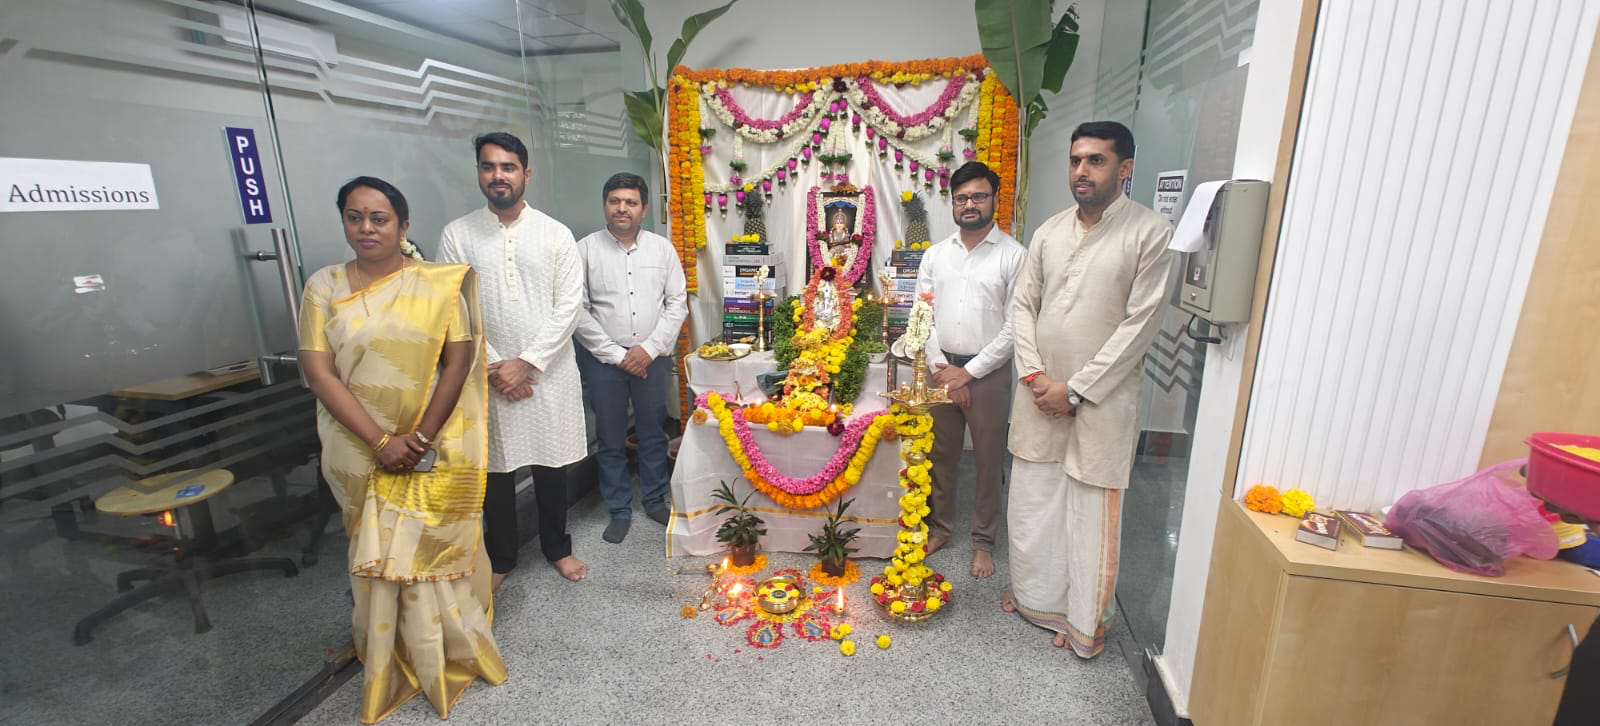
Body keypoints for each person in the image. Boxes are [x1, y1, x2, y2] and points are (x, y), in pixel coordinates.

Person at [299, 176, 506, 723]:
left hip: (425, 438)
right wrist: (380, 441)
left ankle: (445, 651)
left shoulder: (438, 285)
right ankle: (385, 654)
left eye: (379, 218)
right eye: (355, 217)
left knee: (427, 546)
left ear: (403, 225)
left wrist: (420, 439)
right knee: (372, 551)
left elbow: (458, 363)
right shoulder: (323, 286)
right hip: (355, 445)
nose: (366, 228)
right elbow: (319, 373)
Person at [1003, 121, 1174, 658]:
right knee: (1035, 503)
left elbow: (1139, 326)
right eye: (1076, 159)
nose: (1081, 170)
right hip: (1038, 396)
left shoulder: (1150, 233)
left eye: (1096, 160)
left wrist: (1075, 389)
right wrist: (1035, 377)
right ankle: (1034, 600)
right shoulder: (1049, 232)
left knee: (1090, 512)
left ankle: (1082, 623)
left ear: (1125, 168)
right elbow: (1022, 306)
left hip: (1100, 402)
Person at [438, 132, 587, 587]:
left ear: (526, 173)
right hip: (487, 373)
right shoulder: (458, 234)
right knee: (496, 471)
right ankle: (501, 558)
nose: (498, 175)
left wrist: (527, 363)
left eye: (507, 167)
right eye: (489, 167)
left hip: (547, 372)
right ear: (479, 173)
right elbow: (454, 308)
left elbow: (569, 306)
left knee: (550, 464)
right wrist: (498, 366)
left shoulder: (555, 233)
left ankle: (557, 548)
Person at [918, 161, 1026, 579]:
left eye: (978, 196)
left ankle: (983, 541)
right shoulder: (935, 255)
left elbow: (1016, 326)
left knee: (987, 460)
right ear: (952, 203)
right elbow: (922, 316)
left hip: (989, 376)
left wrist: (969, 373)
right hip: (940, 369)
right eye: (961, 198)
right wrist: (942, 369)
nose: (969, 204)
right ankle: (940, 528)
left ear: (995, 200)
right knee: (940, 456)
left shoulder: (1014, 256)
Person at [573, 172, 688, 543]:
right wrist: (617, 354)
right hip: (604, 361)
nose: (622, 208)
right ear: (605, 205)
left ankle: (654, 500)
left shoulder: (662, 249)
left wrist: (648, 350)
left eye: (630, 202)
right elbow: (577, 310)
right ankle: (619, 509)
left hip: (651, 359)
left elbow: (677, 303)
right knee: (609, 437)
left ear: (644, 208)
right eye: (615, 201)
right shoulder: (585, 250)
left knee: (653, 432)